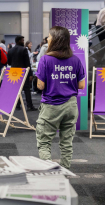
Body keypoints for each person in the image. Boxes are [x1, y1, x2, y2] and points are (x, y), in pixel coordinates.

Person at [35, 26, 85, 169]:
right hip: (71, 105)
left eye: (49, 36)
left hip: (51, 106)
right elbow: (81, 85)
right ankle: (66, 170)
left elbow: (40, 86)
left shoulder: (45, 60)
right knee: (66, 142)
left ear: (56, 40)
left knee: (44, 142)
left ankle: (49, 172)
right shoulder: (75, 60)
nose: (47, 39)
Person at [7, 36, 36, 111]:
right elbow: (27, 63)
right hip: (23, 71)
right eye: (23, 40)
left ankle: (17, 105)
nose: (23, 41)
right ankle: (29, 106)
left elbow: (9, 63)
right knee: (26, 89)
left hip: (13, 71)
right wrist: (30, 74)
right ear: (19, 41)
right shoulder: (24, 50)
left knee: (16, 90)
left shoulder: (10, 50)